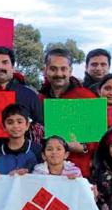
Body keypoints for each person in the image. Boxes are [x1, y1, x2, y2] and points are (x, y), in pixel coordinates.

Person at [38, 47, 97, 177]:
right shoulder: (39, 99)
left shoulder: (87, 97)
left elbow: (101, 133)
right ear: (46, 70)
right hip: (45, 174)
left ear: (70, 71)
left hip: (78, 173)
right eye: (53, 68)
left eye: (63, 69)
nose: (59, 73)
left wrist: (84, 147)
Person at [0, 104, 42, 176]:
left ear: (27, 125)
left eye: (19, 122)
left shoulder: (37, 150)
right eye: (10, 122)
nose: (15, 126)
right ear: (3, 127)